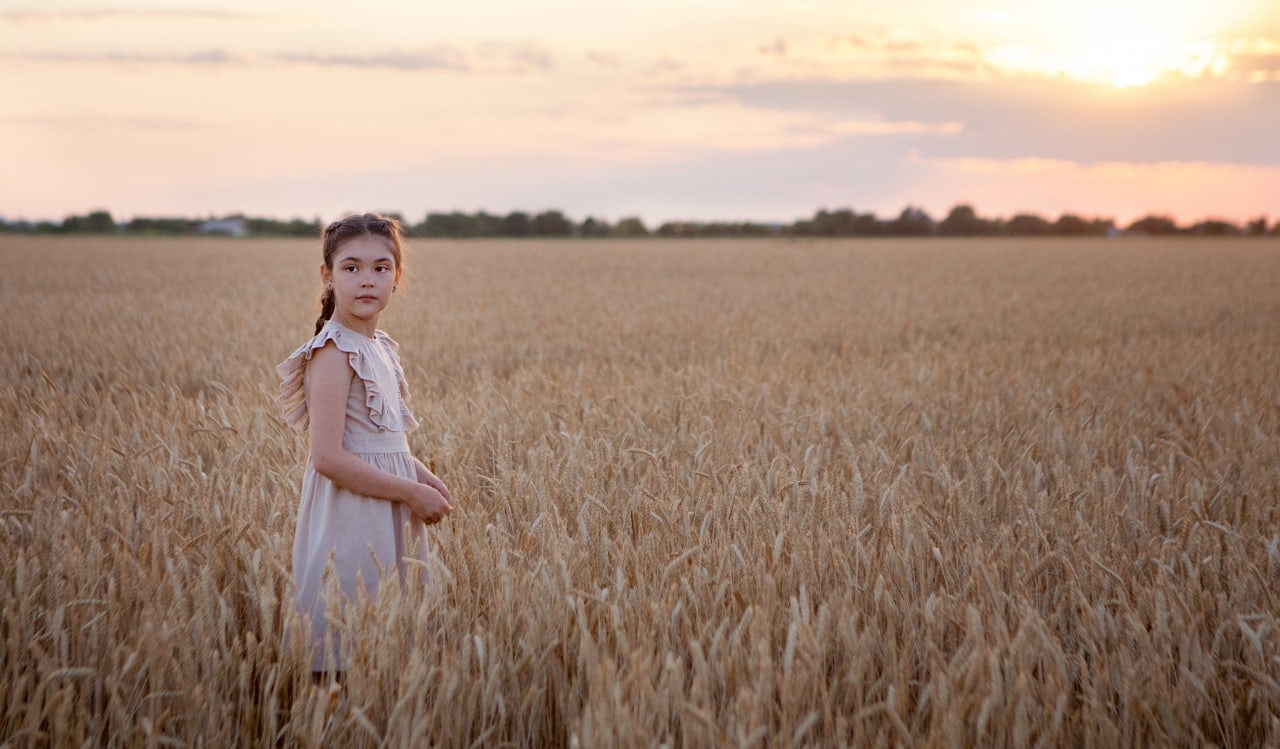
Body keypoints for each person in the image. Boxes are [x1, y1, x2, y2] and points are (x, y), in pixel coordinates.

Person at [277, 212, 453, 680]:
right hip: (351, 518)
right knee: (344, 646)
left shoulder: (380, 347)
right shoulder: (333, 352)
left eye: (380, 267)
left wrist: (421, 474)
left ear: (398, 277)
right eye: (351, 267)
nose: (367, 280)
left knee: (386, 655)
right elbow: (329, 457)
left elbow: (381, 438)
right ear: (327, 276)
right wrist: (409, 493)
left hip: (389, 511)